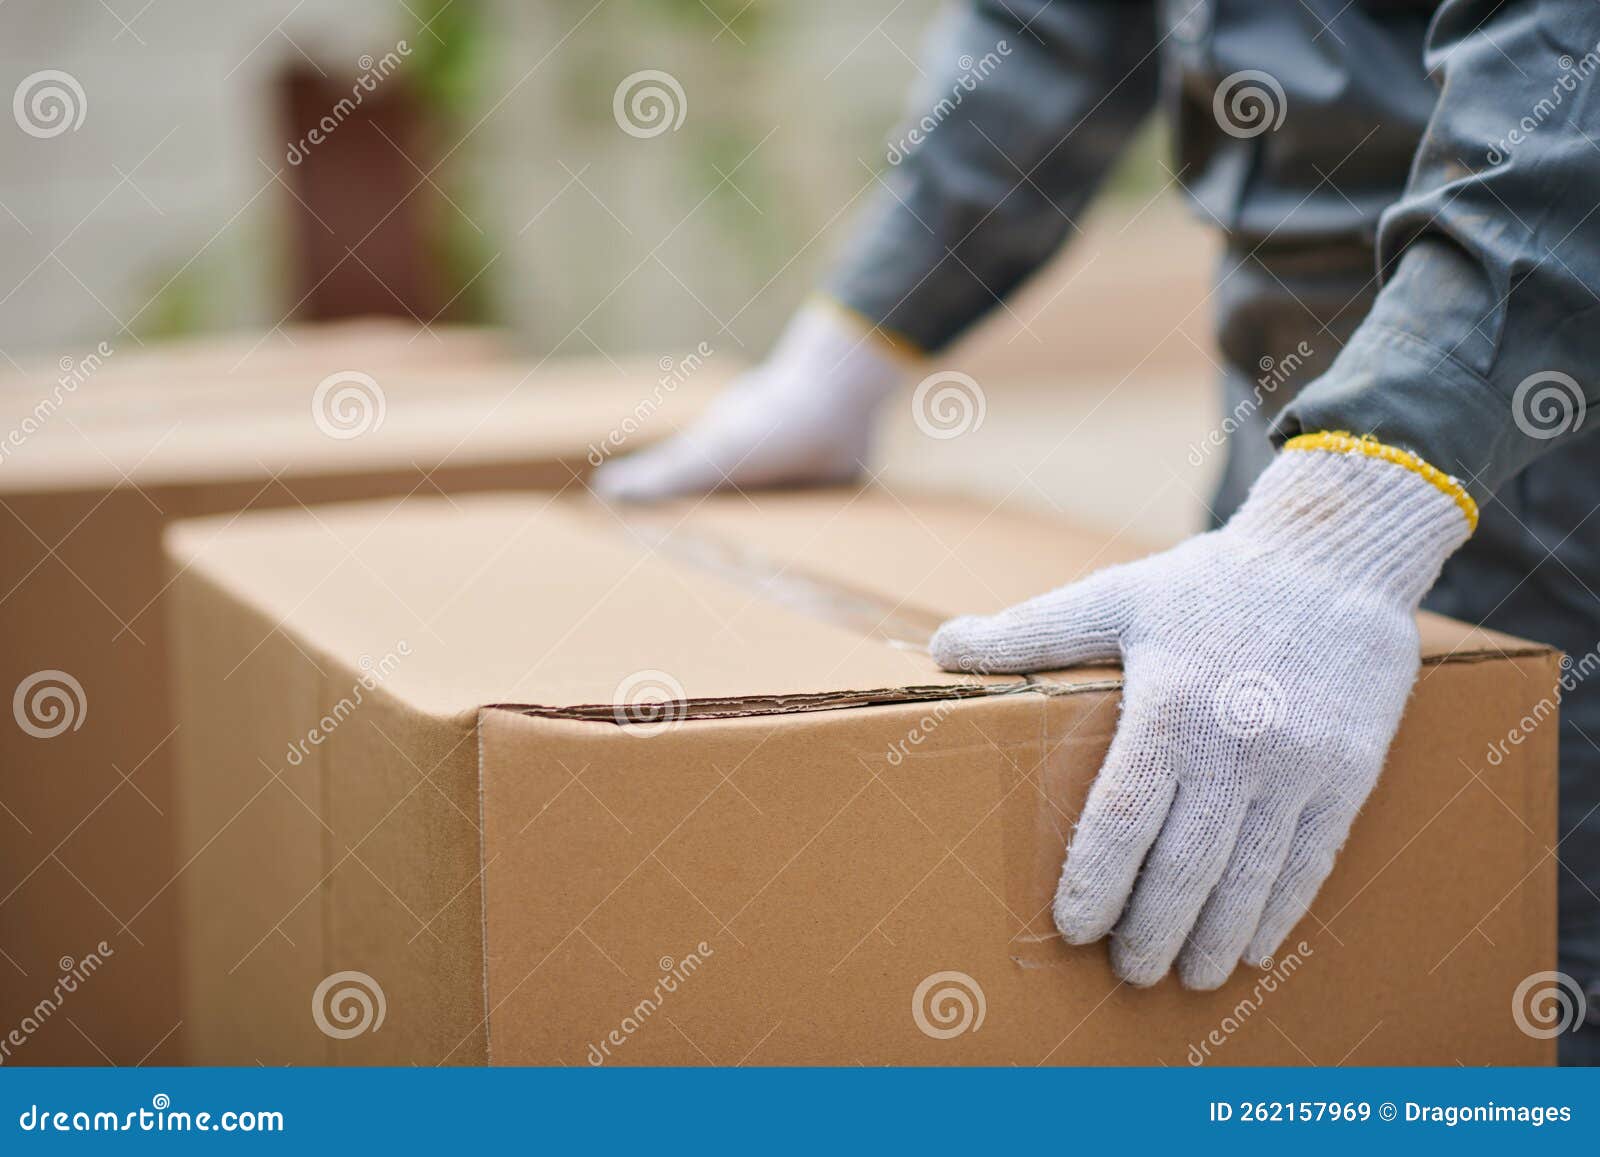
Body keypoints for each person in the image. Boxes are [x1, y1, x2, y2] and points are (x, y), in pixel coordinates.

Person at [593, 0, 1600, 1063]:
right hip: (1292, 398)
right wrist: (851, 346)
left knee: (1529, 961)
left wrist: (1346, 529)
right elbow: (1050, 29)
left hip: (1542, 426)